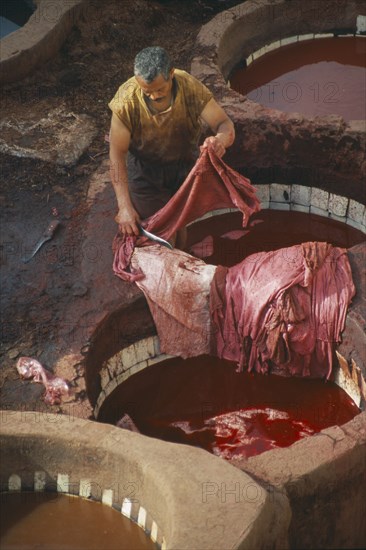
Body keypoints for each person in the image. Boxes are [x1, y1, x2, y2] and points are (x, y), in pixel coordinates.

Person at [108, 46, 235, 238]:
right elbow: (117, 155)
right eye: (147, 91)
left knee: (181, 227)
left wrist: (220, 140)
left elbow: (224, 124)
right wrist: (124, 206)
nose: (154, 96)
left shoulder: (188, 87)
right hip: (146, 175)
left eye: (160, 89)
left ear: (171, 73)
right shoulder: (126, 102)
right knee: (161, 234)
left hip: (184, 167)